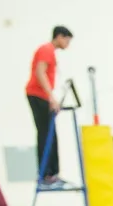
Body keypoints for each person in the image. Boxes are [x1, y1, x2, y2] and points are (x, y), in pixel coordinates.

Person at [26, 26, 72, 188]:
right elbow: (40, 72)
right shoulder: (46, 49)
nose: (67, 44)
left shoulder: (49, 52)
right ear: (59, 37)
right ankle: (46, 174)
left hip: (41, 95)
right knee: (46, 134)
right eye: (67, 40)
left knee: (49, 134)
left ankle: (51, 173)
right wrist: (51, 97)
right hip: (38, 95)